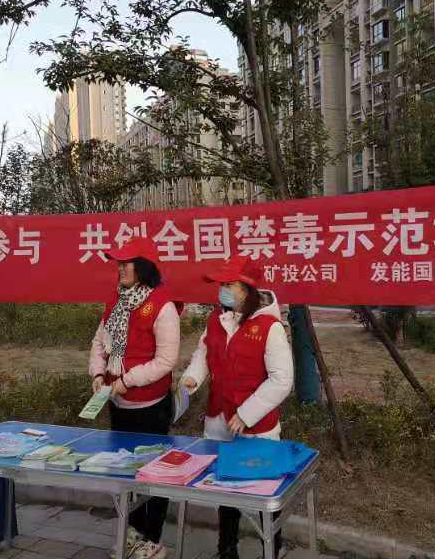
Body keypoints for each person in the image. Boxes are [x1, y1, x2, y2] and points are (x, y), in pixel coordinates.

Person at [180, 256, 294, 559]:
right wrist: (192, 377)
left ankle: (274, 547)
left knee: (264, 490)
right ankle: (227, 549)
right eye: (222, 284)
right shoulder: (216, 319)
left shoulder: (269, 326)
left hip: (257, 426)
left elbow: (282, 380)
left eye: (229, 284)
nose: (222, 289)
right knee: (224, 487)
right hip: (219, 419)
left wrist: (246, 413)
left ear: (247, 288)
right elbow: (203, 354)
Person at [88, 237, 180, 559]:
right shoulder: (116, 299)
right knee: (126, 470)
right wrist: (98, 373)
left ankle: (152, 539)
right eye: (119, 263)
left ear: (144, 267)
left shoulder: (163, 305)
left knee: (153, 473)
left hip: (151, 408)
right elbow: (99, 341)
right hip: (119, 404)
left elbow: (166, 361)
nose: (121, 268)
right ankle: (133, 532)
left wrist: (128, 380)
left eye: (127, 263)